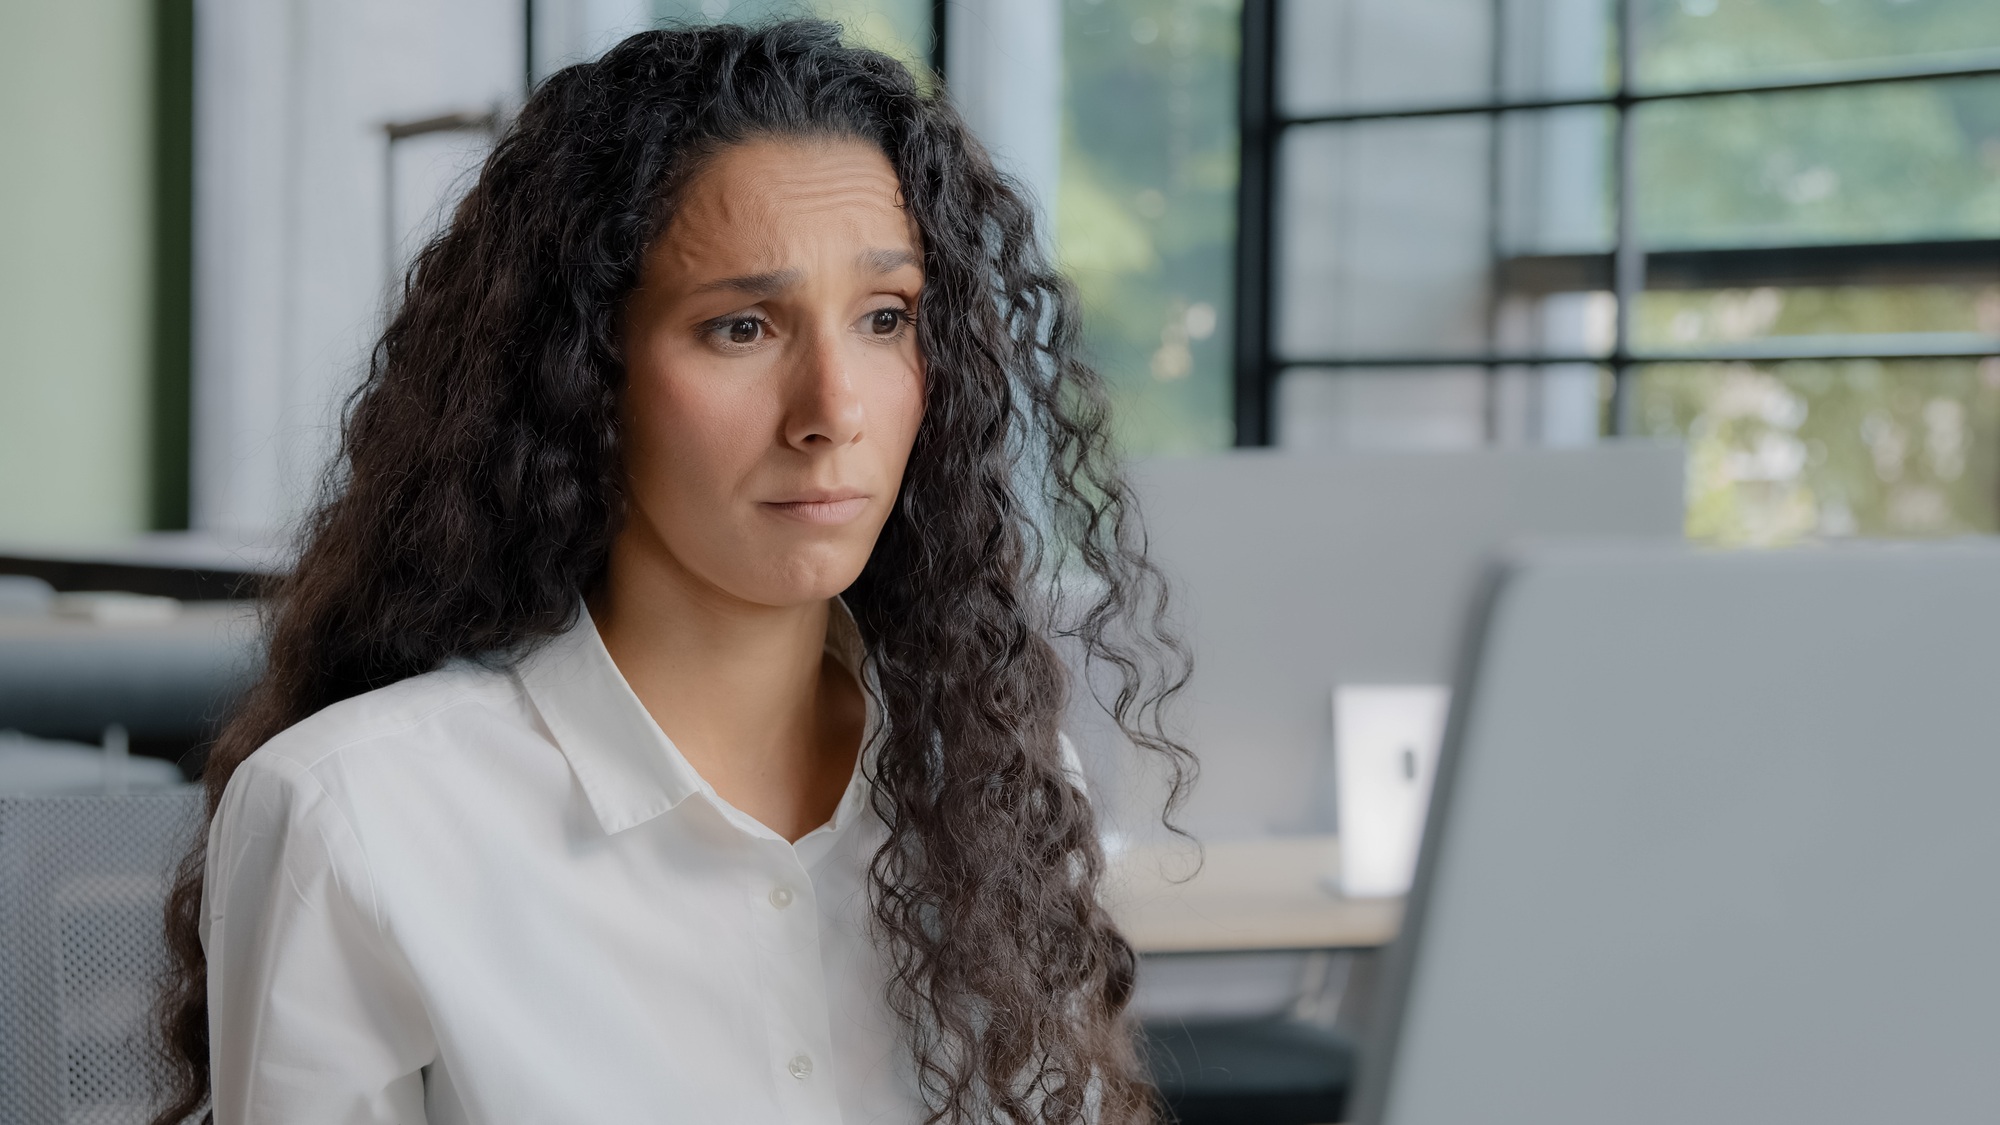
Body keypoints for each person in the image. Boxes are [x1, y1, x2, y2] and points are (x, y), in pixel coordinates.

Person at [151, 20, 1191, 1125]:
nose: (832, 412)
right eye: (742, 328)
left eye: (885, 319)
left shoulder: (988, 779)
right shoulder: (353, 819)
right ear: (581, 372)